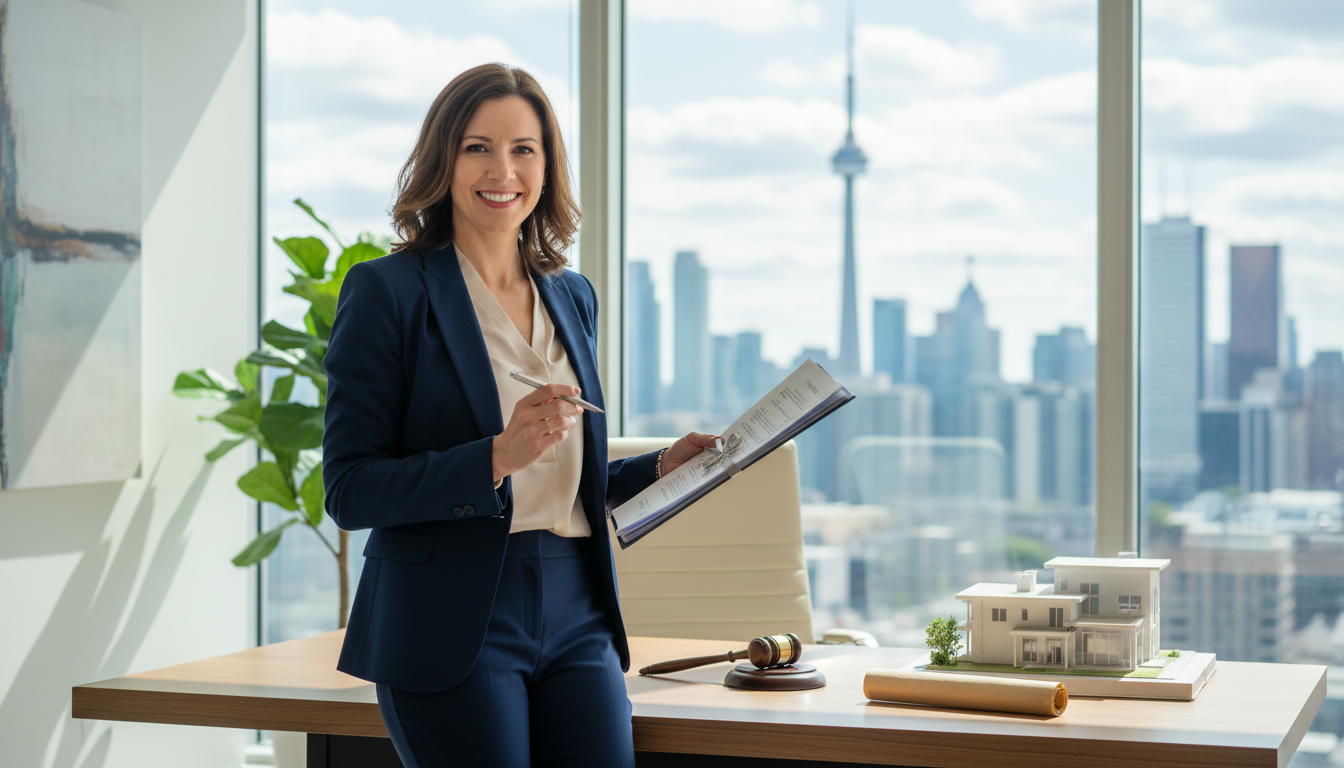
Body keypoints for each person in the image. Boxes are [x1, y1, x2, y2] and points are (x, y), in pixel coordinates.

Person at [321, 63, 718, 767]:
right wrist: (493, 459)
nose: (501, 169)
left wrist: (660, 469)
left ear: (547, 163)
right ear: (443, 159)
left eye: (523, 149)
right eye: (477, 146)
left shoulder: (572, 295)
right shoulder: (388, 292)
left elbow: (564, 479)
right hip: (450, 616)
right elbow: (350, 490)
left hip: (579, 613)